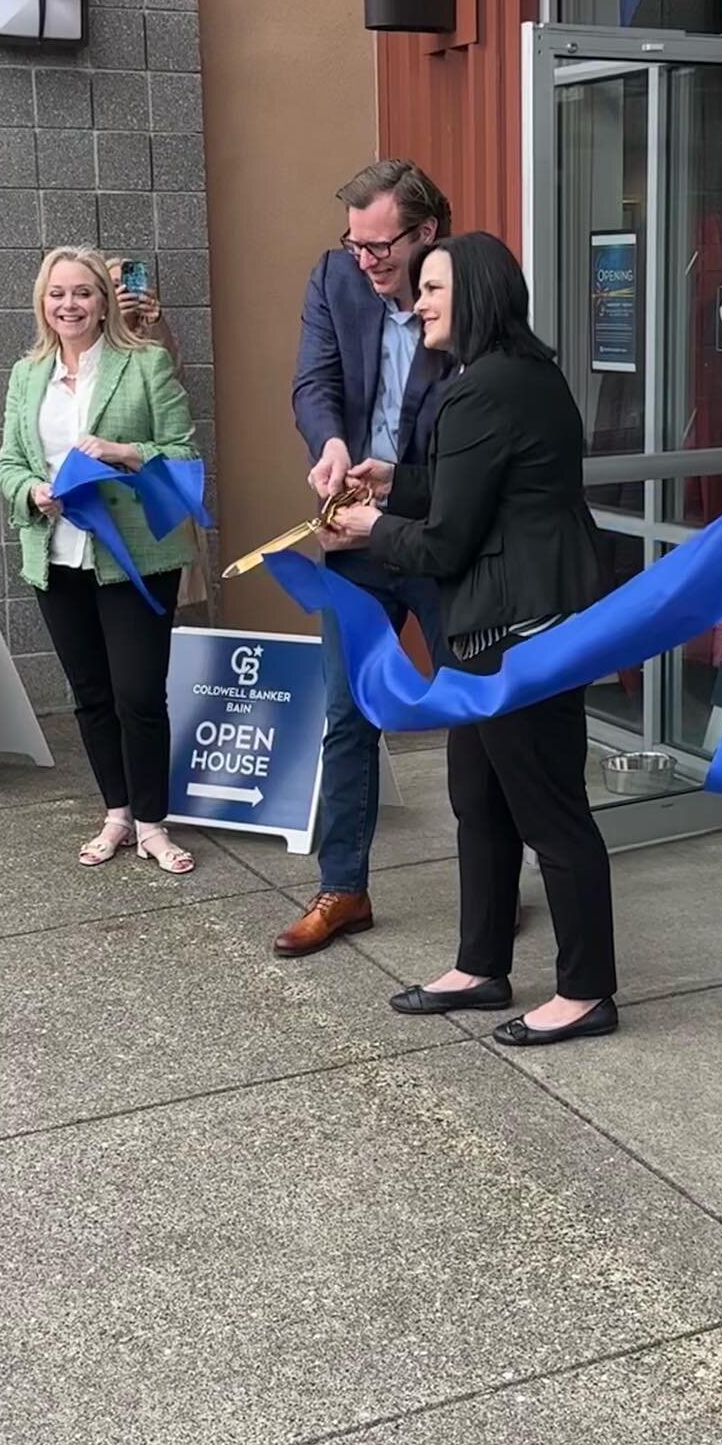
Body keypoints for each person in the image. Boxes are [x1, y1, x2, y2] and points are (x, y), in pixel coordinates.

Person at [323, 232, 617, 1048]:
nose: (417, 303)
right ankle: (480, 966)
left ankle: (586, 991)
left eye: (433, 289)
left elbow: (448, 542)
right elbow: (483, 489)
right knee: (480, 802)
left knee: (552, 817)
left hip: (516, 635)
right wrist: (398, 482)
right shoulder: (520, 374)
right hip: (509, 626)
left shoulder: (481, 389)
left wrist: (370, 528)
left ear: (478, 294)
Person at [276, 159, 456, 957]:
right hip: (353, 532)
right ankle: (343, 888)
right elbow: (312, 383)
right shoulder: (334, 277)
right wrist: (331, 445)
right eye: (355, 244)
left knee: (476, 714)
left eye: (380, 247)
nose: (366, 261)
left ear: (426, 232)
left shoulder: (465, 290)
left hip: (442, 535)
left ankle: (493, 882)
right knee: (347, 714)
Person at [0, 246, 199, 874]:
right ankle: (117, 813)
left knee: (139, 695)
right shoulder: (27, 374)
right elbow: (9, 464)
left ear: (104, 302)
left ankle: (153, 824)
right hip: (57, 556)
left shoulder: (145, 362)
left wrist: (121, 451)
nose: (70, 305)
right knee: (91, 695)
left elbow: (183, 453)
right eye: (57, 294)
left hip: (137, 556)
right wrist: (33, 491)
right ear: (42, 303)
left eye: (83, 292)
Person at [105, 254, 207, 617]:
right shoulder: (90, 344)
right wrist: (112, 320)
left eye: (129, 284)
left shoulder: (152, 345)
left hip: (158, 476)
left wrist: (156, 322)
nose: (124, 292)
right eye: (113, 286)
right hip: (112, 489)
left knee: (170, 600)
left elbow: (174, 374)